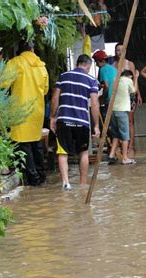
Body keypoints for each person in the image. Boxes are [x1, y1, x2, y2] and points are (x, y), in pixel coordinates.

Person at [50, 54, 101, 190]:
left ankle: (65, 183)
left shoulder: (63, 76)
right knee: (83, 152)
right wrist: (96, 125)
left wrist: (52, 117)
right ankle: (83, 185)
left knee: (62, 152)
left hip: (64, 120)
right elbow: (95, 104)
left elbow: (55, 98)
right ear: (88, 66)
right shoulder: (91, 80)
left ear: (77, 63)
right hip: (82, 121)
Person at [4, 41, 49, 186]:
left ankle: (33, 179)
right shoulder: (41, 66)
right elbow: (46, 89)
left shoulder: (15, 63)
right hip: (37, 110)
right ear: (32, 49)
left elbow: (3, 83)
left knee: (24, 145)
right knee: (37, 143)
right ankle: (42, 175)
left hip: (20, 110)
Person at [113, 42, 142, 157]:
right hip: (119, 96)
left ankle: (130, 146)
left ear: (125, 51)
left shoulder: (130, 64)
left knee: (129, 121)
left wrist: (138, 94)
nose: (119, 52)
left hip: (130, 95)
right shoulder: (114, 65)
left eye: (121, 50)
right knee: (119, 122)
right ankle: (122, 146)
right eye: (117, 50)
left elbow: (135, 79)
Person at [108, 70, 138, 165]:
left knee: (116, 135)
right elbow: (134, 91)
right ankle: (125, 158)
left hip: (113, 111)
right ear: (129, 76)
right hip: (122, 111)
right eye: (131, 78)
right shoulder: (127, 80)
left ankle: (111, 155)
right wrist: (136, 78)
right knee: (125, 135)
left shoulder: (115, 80)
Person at [92, 50, 117, 121]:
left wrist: (103, 97)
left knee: (108, 123)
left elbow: (106, 86)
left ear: (102, 61)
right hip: (117, 99)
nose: (96, 65)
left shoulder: (102, 69)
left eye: (97, 62)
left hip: (109, 99)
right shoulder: (113, 68)